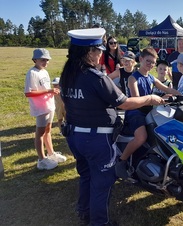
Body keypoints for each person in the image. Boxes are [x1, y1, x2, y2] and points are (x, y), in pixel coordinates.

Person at [60, 28, 165, 226]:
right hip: (97, 140)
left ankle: (84, 211)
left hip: (75, 136)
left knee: (86, 176)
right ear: (88, 52)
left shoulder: (68, 74)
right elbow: (124, 103)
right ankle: (99, 222)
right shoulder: (95, 77)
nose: (101, 53)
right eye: (98, 49)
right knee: (102, 183)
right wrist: (150, 98)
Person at [115, 47, 181, 179]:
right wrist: (154, 100)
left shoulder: (151, 78)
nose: (150, 65)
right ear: (140, 59)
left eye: (153, 62)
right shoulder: (133, 78)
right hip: (135, 113)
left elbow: (166, 88)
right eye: (148, 61)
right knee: (141, 137)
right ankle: (121, 161)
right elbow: (136, 98)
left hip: (149, 112)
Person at [24, 48, 67, 170]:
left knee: (48, 130)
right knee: (40, 133)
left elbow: (45, 87)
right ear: (35, 60)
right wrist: (49, 91)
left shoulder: (44, 72)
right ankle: (41, 159)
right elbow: (28, 93)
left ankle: (51, 153)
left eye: (47, 60)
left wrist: (52, 92)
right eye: (43, 60)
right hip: (40, 107)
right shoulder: (32, 73)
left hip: (49, 105)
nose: (45, 62)